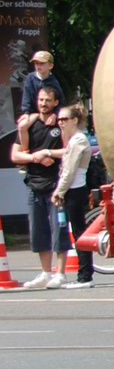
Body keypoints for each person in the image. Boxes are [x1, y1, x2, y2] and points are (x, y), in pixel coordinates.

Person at [9, 86, 66, 288]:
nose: (43, 103)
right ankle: (45, 273)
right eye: (41, 100)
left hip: (56, 186)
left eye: (48, 100)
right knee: (38, 230)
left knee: (59, 229)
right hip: (34, 184)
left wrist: (49, 153)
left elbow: (70, 149)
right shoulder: (29, 124)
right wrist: (36, 156)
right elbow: (15, 155)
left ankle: (60, 273)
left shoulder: (60, 124)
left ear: (56, 102)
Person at [51, 103, 94, 289]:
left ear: (74, 120)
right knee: (78, 232)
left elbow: (69, 171)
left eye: (64, 119)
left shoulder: (78, 140)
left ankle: (85, 276)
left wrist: (59, 191)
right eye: (59, 120)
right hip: (73, 189)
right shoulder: (73, 139)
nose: (61, 123)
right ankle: (84, 275)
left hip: (75, 190)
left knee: (79, 234)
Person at [19, 51, 63, 119]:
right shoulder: (30, 78)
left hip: (49, 114)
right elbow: (26, 96)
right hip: (33, 113)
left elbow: (61, 100)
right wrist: (26, 112)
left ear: (50, 66)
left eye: (42, 63)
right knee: (22, 125)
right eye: (36, 63)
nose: (38, 66)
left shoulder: (54, 82)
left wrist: (55, 114)